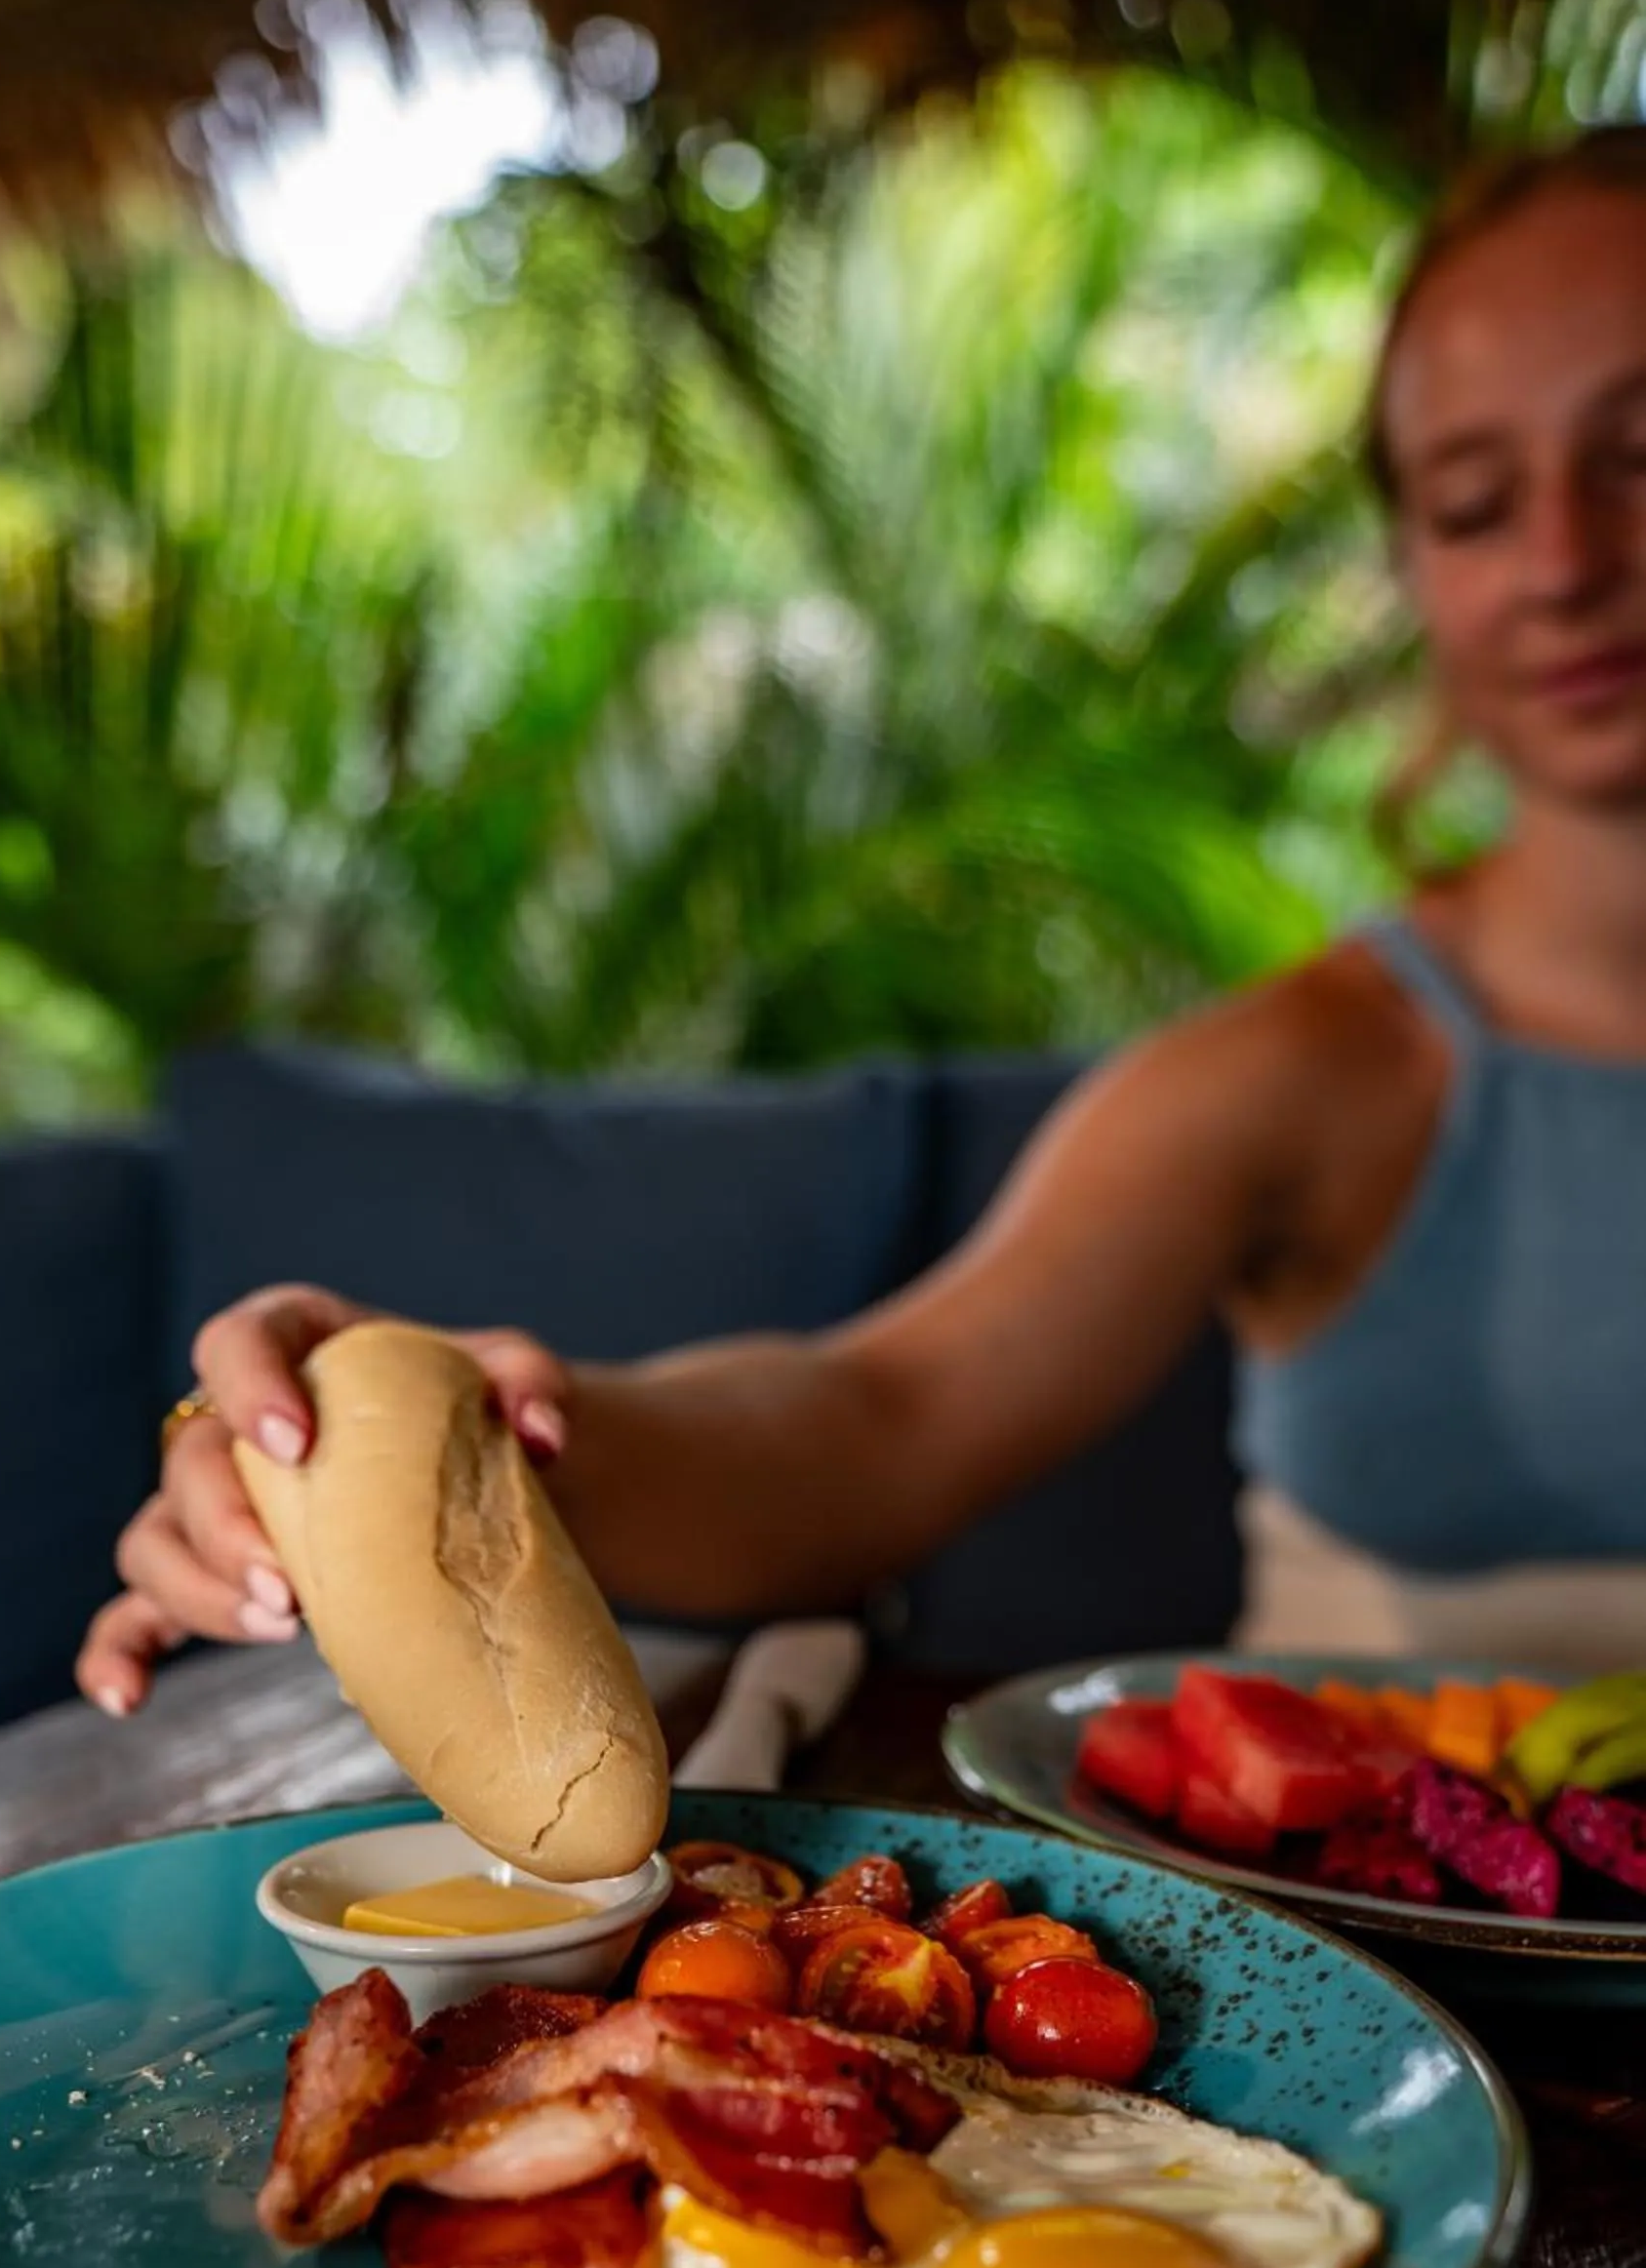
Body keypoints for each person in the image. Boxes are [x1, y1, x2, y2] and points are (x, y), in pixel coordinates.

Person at [79, 127, 1646, 1712]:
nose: (1564, 563)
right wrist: (476, 1436)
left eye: (1637, 454)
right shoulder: (1307, 1076)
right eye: (1469, 502)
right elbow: (868, 1424)